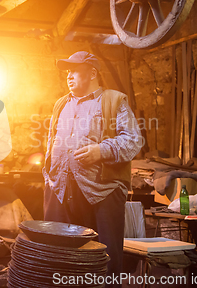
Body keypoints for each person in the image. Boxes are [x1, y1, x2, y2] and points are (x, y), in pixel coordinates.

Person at [42, 51, 143, 283]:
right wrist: (48, 175)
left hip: (102, 191)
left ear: (93, 72)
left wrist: (101, 151)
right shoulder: (61, 103)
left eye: (75, 70)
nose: (69, 76)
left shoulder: (114, 100)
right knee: (58, 253)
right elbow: (51, 140)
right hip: (60, 188)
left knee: (103, 257)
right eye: (67, 71)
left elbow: (133, 140)